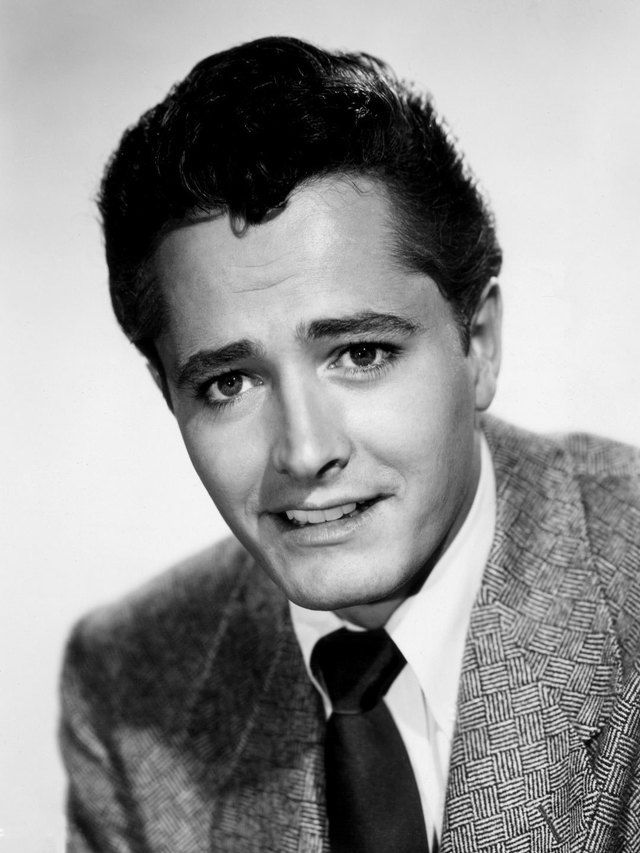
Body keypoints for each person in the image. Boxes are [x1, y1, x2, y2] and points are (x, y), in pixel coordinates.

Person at [59, 35, 640, 853]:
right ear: (170, 397)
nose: (304, 451)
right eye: (228, 383)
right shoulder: (131, 687)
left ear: (478, 344)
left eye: (361, 354)